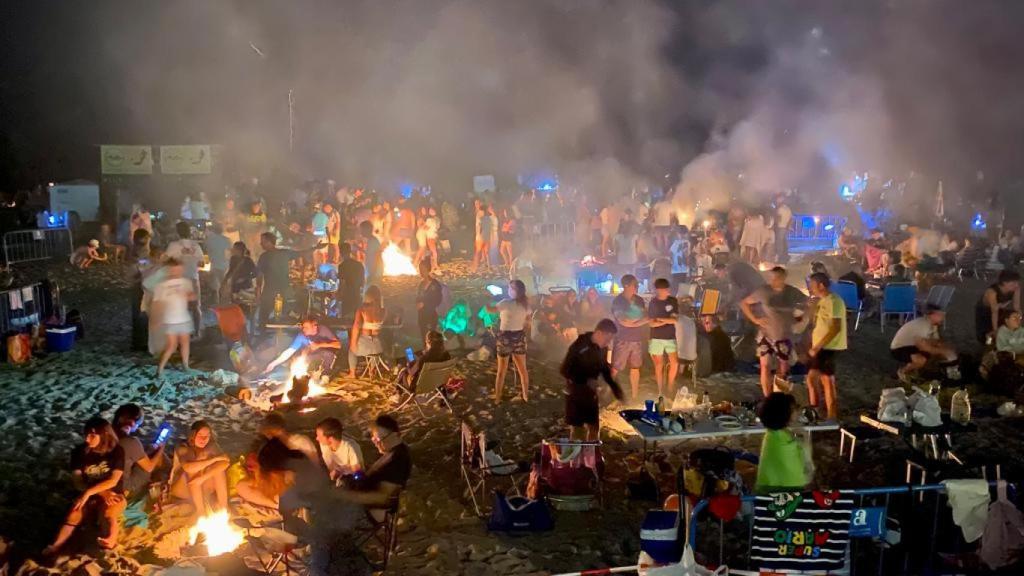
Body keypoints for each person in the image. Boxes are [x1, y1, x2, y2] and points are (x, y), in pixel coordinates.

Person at [44, 417, 126, 554]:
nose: (87, 439)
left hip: (112, 491)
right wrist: (96, 493)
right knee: (73, 514)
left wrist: (92, 492)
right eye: (86, 434)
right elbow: (78, 482)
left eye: (92, 435)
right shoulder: (79, 452)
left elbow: (114, 480)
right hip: (89, 492)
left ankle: (110, 540)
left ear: (104, 435)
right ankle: (56, 545)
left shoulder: (117, 451)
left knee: (109, 512)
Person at [740, 267, 809, 397]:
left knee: (783, 369)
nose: (774, 280)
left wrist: (803, 319)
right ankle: (768, 397)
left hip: (784, 335)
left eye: (777, 277)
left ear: (783, 277)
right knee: (764, 366)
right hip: (766, 334)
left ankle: (779, 396)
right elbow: (744, 303)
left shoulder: (792, 292)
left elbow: (808, 302)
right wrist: (755, 319)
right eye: (772, 277)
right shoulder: (764, 291)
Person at [561, 319, 625, 440]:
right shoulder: (580, 345)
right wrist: (586, 380)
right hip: (575, 392)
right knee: (578, 430)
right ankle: (576, 456)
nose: (608, 342)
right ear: (599, 333)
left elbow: (604, 368)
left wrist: (616, 389)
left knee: (594, 427)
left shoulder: (602, 348)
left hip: (591, 394)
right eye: (608, 339)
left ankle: (591, 455)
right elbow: (565, 370)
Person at [337, 414, 411, 518]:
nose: (376, 443)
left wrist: (346, 496)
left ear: (395, 435)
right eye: (374, 439)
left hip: (370, 513)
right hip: (360, 500)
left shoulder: (398, 460)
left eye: (378, 439)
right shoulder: (391, 453)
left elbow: (383, 497)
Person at [255, 232, 320, 333]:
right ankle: (282, 335)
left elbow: (259, 276)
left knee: (264, 318)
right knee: (285, 316)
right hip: (284, 292)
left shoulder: (264, 257)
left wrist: (258, 292)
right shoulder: (284, 253)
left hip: (270, 293)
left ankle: (265, 336)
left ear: (269, 242)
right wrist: (315, 247)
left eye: (262, 241)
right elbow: (302, 253)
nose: (260, 244)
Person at [806, 273, 847, 420]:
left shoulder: (834, 301)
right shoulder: (822, 301)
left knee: (818, 379)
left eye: (812, 285)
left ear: (821, 285)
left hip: (829, 347)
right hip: (822, 346)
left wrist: (818, 347)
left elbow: (836, 327)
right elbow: (814, 322)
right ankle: (823, 414)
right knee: (823, 380)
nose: (810, 288)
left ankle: (824, 414)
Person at [168, 421, 229, 518]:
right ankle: (201, 513)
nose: (204, 439)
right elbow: (188, 468)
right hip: (184, 490)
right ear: (193, 435)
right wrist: (213, 459)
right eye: (200, 435)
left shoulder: (211, 445)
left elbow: (226, 462)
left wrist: (203, 478)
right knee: (194, 469)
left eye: (207, 436)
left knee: (218, 470)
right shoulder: (183, 447)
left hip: (201, 484)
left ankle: (224, 510)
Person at [485, 279, 531, 403]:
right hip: (519, 336)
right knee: (522, 369)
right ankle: (525, 395)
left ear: (515, 291)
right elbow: (528, 322)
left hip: (505, 337)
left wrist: (486, 298)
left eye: (511, 288)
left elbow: (490, 310)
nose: (508, 290)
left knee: (501, 370)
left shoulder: (505, 303)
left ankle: (498, 398)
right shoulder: (526, 305)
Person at [755, 393, 810, 493]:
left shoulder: (770, 434)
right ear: (785, 414)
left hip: (765, 488)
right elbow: (808, 471)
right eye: (794, 409)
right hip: (790, 491)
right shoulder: (790, 443)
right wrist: (805, 436)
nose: (798, 411)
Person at [891, 305, 959, 382]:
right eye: (940, 315)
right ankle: (903, 372)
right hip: (900, 348)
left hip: (913, 346)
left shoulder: (933, 326)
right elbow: (923, 347)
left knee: (938, 353)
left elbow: (936, 342)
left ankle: (918, 370)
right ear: (932, 315)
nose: (943, 317)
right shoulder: (922, 324)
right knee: (921, 360)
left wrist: (946, 349)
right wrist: (945, 352)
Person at [112, 404, 165, 498]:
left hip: (106, 476)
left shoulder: (107, 433)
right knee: (156, 458)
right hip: (123, 484)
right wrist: (161, 449)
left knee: (148, 450)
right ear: (133, 423)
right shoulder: (131, 442)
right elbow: (149, 467)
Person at [154, 258, 196, 376]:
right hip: (170, 320)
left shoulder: (186, 282)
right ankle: (160, 369)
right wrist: (157, 318)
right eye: (174, 270)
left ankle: (186, 365)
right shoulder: (162, 285)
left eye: (179, 269)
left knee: (185, 343)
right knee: (171, 346)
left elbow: (193, 297)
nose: (177, 272)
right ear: (168, 270)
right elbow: (158, 303)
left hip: (184, 318)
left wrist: (187, 295)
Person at [611, 274, 649, 400]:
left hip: (637, 339)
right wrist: (640, 321)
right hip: (622, 339)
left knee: (635, 368)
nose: (637, 286)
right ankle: (607, 392)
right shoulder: (618, 301)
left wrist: (634, 321)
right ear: (626, 286)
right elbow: (623, 321)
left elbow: (644, 316)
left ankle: (634, 396)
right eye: (635, 284)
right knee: (616, 367)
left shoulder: (639, 300)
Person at [165, 221, 205, 333]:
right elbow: (202, 263)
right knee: (196, 307)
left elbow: (165, 261)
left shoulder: (173, 246)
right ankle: (197, 332)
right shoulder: (196, 246)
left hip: (178, 280)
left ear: (177, 233)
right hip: (193, 278)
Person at [265, 316, 342, 375]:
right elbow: (290, 351)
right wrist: (274, 363)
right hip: (315, 355)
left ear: (314, 326)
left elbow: (338, 345)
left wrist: (319, 345)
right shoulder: (302, 335)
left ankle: (326, 374)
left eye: (306, 327)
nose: (304, 330)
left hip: (327, 355)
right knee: (298, 359)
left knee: (328, 355)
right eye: (303, 327)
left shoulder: (323, 330)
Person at [648, 278, 680, 397]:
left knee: (675, 363)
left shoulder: (672, 301)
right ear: (658, 290)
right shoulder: (653, 303)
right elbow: (651, 323)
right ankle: (660, 390)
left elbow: (675, 319)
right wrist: (666, 321)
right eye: (662, 290)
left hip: (670, 337)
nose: (665, 292)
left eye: (666, 289)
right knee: (658, 365)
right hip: (656, 337)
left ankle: (670, 386)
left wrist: (660, 319)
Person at [348, 285, 386, 377]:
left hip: (365, 345)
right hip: (377, 346)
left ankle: (352, 373)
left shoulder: (362, 310)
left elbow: (356, 327)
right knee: (375, 350)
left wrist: (353, 344)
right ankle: (372, 370)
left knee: (351, 351)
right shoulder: (384, 311)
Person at [976, 270, 1021, 344]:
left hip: (999, 308)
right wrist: (995, 330)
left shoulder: (1016, 289)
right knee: (986, 336)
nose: (1016, 285)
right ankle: (989, 345)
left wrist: (1019, 320)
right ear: (1004, 283)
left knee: (1013, 319)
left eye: (1017, 282)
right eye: (1013, 283)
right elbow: (994, 313)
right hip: (985, 312)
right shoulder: (992, 292)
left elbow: (1016, 307)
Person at [315, 417, 364, 483]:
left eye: (319, 436)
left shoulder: (350, 448)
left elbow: (358, 474)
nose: (317, 438)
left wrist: (344, 476)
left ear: (330, 439)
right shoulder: (324, 445)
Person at [222, 241, 257, 309]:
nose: (233, 250)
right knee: (235, 306)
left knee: (244, 306)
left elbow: (255, 273)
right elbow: (231, 271)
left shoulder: (248, 260)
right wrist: (225, 280)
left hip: (245, 287)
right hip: (235, 286)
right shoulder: (233, 259)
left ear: (239, 250)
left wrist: (244, 278)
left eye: (234, 248)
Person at [416, 259, 444, 339]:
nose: (421, 272)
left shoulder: (435, 285)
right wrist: (417, 303)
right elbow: (418, 297)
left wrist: (424, 304)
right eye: (420, 269)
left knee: (430, 337)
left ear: (428, 270)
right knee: (423, 336)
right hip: (421, 315)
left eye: (423, 269)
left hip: (430, 315)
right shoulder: (421, 284)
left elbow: (438, 300)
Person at [337, 242, 366, 319]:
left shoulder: (342, 266)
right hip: (358, 297)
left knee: (347, 321)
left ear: (341, 252)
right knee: (357, 320)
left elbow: (342, 284)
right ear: (350, 251)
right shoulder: (359, 265)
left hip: (347, 298)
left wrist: (338, 295)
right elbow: (363, 282)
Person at [206, 222, 231, 302]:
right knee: (224, 286)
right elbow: (229, 253)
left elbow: (207, 250)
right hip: (225, 266)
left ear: (213, 230)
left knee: (214, 288)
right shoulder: (227, 240)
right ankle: (225, 302)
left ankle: (216, 304)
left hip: (214, 266)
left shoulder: (209, 240)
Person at [775, 196, 792, 265]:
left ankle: (780, 257)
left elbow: (778, 218)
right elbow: (791, 218)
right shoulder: (787, 208)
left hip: (780, 227)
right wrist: (788, 226)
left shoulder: (780, 209)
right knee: (784, 242)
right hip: (785, 227)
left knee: (780, 243)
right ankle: (785, 256)